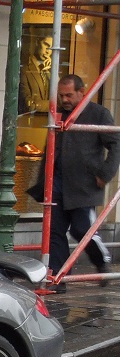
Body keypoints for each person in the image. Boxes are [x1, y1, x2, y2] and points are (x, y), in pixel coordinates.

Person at [28, 74, 120, 291]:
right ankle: (58, 278)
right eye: (61, 95)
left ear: (82, 92)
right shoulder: (58, 114)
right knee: (55, 233)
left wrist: (105, 174)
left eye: (69, 95)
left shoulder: (99, 114)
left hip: (84, 186)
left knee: (82, 229)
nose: (65, 99)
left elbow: (116, 144)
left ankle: (101, 261)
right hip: (57, 184)